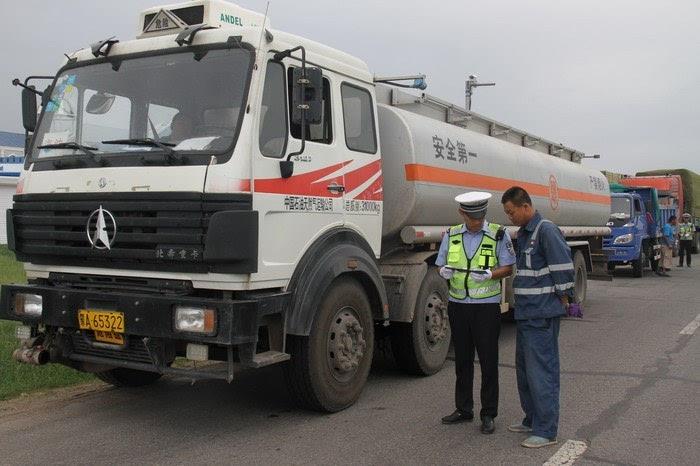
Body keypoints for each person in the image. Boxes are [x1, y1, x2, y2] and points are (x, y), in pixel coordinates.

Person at [435, 191, 515, 435]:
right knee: (462, 361)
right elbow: (441, 264)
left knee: (489, 362)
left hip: (486, 307)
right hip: (458, 304)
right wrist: (443, 272)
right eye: (472, 217)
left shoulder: (498, 234)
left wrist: (492, 274)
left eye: (480, 216)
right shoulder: (452, 234)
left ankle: (489, 413)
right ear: (462, 214)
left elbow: (508, 267)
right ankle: (464, 409)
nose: (477, 221)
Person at [501, 186, 573, 449]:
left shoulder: (546, 231)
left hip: (542, 314)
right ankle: (531, 418)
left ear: (525, 207)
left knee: (542, 372)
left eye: (511, 212)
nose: (510, 217)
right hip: (526, 313)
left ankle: (546, 430)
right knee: (525, 371)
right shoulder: (524, 233)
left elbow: (563, 268)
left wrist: (565, 299)